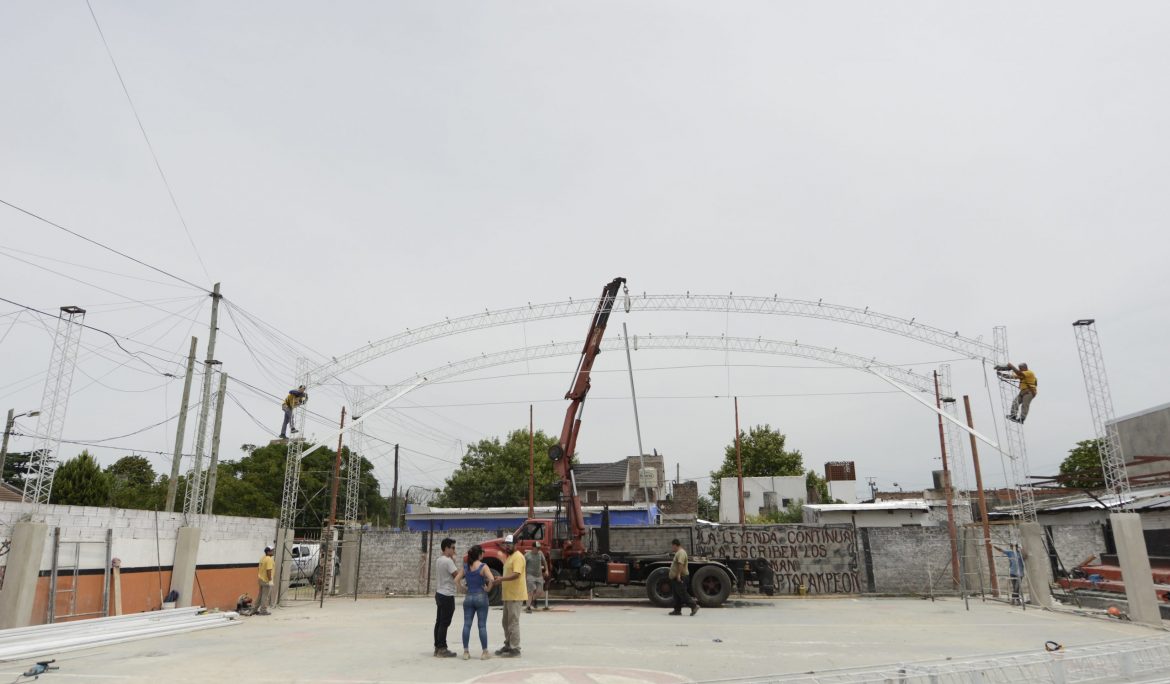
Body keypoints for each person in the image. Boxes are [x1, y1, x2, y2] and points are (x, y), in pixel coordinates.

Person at [454, 545, 495, 660]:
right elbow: (492, 579)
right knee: (482, 625)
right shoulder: (483, 566)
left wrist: (462, 589)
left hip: (469, 597)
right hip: (481, 597)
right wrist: (488, 589)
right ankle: (484, 652)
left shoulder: (466, 567)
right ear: (479, 554)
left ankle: (466, 652)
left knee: (467, 625)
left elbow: (456, 580)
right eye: (482, 552)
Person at [494, 535, 527, 658]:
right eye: (506, 544)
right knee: (506, 622)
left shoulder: (518, 557)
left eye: (509, 544)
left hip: (515, 595)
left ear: (515, 544)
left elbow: (516, 575)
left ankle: (515, 648)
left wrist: (501, 579)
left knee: (513, 622)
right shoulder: (510, 557)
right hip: (508, 595)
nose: (507, 546)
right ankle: (508, 644)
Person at [432, 538, 458, 658]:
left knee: (439, 621)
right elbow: (457, 576)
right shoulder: (448, 561)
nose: (454, 550)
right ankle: (442, 648)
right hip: (447, 594)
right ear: (446, 548)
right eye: (452, 548)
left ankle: (437, 646)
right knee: (444, 622)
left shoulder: (438, 560)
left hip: (439, 593)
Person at [668, 538, 699, 616]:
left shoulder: (681, 553)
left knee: (682, 593)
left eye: (672, 546)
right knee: (676, 594)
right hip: (676, 577)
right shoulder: (679, 552)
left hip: (681, 577)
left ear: (675, 545)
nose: (672, 548)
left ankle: (694, 606)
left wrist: (678, 575)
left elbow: (680, 564)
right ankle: (677, 610)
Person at [524, 541, 549, 613]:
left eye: (539, 548)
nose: (538, 549)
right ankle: (528, 607)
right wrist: (525, 575)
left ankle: (533, 600)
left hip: (539, 575)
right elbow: (523, 565)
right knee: (530, 591)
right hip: (530, 575)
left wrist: (546, 570)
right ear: (533, 548)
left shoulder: (540, 553)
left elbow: (544, 562)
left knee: (540, 592)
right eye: (537, 548)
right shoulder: (527, 555)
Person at [255, 545, 275, 616]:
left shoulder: (262, 558)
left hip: (261, 579)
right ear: (268, 552)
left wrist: (261, 576)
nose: (273, 551)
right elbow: (268, 570)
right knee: (265, 596)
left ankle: (254, 609)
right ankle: (263, 610)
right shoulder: (269, 559)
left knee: (260, 595)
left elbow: (259, 568)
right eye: (272, 550)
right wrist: (270, 580)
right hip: (266, 580)